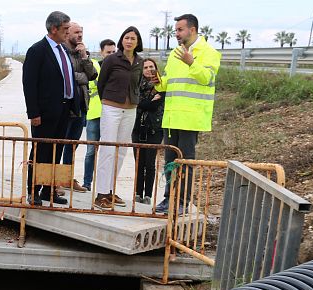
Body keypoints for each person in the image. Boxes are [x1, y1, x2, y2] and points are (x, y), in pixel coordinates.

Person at [150, 14, 221, 213]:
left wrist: (192, 63)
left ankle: (182, 202)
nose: (177, 34)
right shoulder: (175, 53)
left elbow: (206, 78)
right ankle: (168, 199)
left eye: (180, 30)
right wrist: (158, 81)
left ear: (192, 29)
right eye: (176, 31)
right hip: (171, 117)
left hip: (191, 118)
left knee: (186, 162)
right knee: (170, 161)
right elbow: (169, 83)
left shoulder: (209, 52)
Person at [22, 11, 80, 206]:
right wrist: (34, 113)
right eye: (65, 29)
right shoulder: (37, 50)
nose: (67, 33)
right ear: (53, 29)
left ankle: (49, 190)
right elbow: (29, 84)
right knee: (40, 152)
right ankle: (33, 190)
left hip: (64, 110)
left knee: (57, 151)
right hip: (45, 113)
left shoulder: (63, 50)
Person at [93, 26, 143, 210]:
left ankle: (110, 190)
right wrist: (108, 101)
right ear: (122, 40)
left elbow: (137, 84)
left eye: (133, 38)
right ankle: (101, 194)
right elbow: (101, 83)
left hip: (130, 110)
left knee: (121, 151)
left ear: (138, 42)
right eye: (126, 38)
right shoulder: (112, 59)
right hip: (111, 108)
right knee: (107, 149)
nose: (129, 41)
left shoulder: (139, 61)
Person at [60, 22, 97, 193]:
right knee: (59, 143)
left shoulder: (83, 54)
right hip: (66, 105)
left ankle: (67, 178)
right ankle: (55, 179)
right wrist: (80, 76)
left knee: (72, 145)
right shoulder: (61, 52)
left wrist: (84, 56)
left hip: (81, 105)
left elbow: (92, 75)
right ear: (67, 34)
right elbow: (62, 75)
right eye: (76, 32)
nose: (80, 35)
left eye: (81, 32)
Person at [82, 39, 116, 191]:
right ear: (102, 52)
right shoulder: (95, 66)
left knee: (109, 152)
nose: (111, 55)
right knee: (91, 151)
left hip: (111, 115)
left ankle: (106, 187)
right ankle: (87, 183)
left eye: (114, 52)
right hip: (95, 114)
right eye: (108, 52)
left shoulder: (118, 69)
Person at [132, 58, 165, 205]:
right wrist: (149, 101)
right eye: (145, 67)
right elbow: (137, 102)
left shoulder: (162, 85)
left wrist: (147, 102)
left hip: (154, 129)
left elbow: (154, 105)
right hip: (138, 128)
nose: (149, 69)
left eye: (151, 66)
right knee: (139, 163)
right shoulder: (136, 85)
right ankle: (137, 193)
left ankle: (148, 195)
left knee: (150, 164)